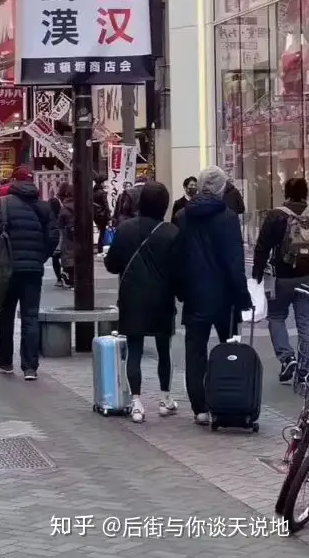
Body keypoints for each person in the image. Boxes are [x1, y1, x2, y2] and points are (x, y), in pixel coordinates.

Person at [174, 166, 252, 425]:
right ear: (221, 189)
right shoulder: (228, 218)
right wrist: (243, 296)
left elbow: (179, 257)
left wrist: (181, 290)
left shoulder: (183, 216)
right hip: (224, 297)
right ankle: (227, 400)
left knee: (195, 351)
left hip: (195, 294)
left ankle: (199, 408)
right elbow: (234, 261)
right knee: (230, 348)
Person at [104, 182, 180, 423]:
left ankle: (136, 402)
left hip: (131, 296)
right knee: (163, 350)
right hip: (162, 297)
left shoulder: (125, 229)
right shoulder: (171, 232)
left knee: (134, 349)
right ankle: (165, 398)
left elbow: (112, 264)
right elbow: (179, 270)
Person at [0, 166, 59, 380]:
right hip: (33, 269)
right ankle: (30, 367)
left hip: (7, 268)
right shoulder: (44, 206)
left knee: (6, 315)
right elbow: (54, 236)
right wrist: (40, 256)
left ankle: (6, 361)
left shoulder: (2, 203)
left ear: (13, 182)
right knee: (30, 316)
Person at [253, 176, 309, 384]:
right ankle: (305, 368)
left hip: (281, 277)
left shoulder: (276, 215)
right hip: (306, 277)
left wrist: (257, 272)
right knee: (305, 321)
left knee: (276, 317)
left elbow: (262, 246)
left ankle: (287, 358)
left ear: (285, 193)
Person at [56, 183, 75, 288]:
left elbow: (60, 223)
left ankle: (67, 278)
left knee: (68, 254)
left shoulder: (64, 208)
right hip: (81, 237)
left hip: (68, 236)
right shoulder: (83, 205)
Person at [93, 179, 111, 254]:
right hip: (102, 215)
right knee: (102, 232)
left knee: (101, 232)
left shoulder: (93, 192)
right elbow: (106, 206)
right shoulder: (102, 193)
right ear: (101, 183)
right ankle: (100, 249)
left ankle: (99, 248)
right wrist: (109, 217)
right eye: (104, 182)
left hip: (95, 215)